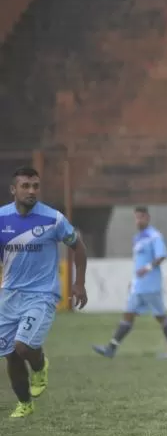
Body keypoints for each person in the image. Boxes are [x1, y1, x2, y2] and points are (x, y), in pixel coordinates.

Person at [0, 166, 88, 418]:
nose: (31, 191)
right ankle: (24, 403)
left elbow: (78, 247)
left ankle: (40, 366)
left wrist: (79, 283)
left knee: (23, 346)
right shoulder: (1, 218)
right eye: (25, 186)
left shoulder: (53, 219)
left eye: (35, 186)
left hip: (42, 294)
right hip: (9, 295)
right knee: (10, 355)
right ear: (13, 190)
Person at [93, 206, 167, 359]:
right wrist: (133, 281)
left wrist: (147, 268)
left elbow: (162, 256)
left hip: (150, 286)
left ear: (148, 218)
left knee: (161, 316)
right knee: (128, 315)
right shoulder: (138, 238)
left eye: (141, 217)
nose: (138, 221)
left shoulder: (154, 236)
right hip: (138, 286)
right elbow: (138, 262)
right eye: (136, 217)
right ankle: (111, 349)